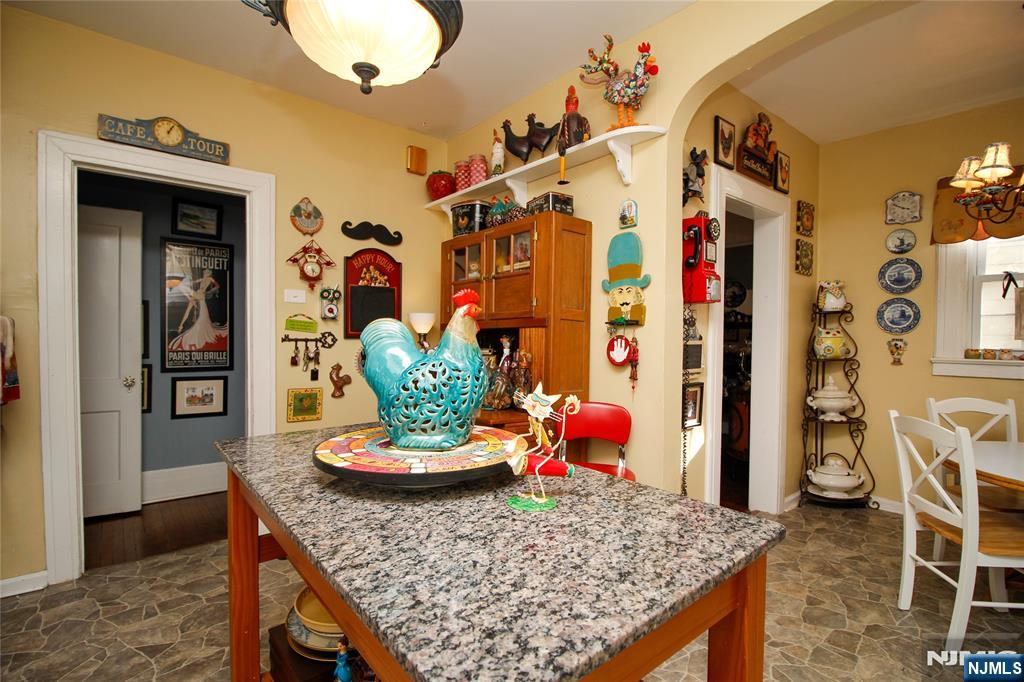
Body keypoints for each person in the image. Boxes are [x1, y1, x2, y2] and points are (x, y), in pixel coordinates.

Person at [169, 269, 227, 351]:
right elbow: (194, 282)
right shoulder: (202, 279)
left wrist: (209, 292)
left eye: (206, 272)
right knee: (188, 309)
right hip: (198, 295)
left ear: (209, 274)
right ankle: (181, 325)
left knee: (182, 288)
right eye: (204, 272)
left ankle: (181, 325)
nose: (205, 273)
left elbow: (217, 286)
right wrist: (191, 282)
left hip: (200, 295)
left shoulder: (210, 279)